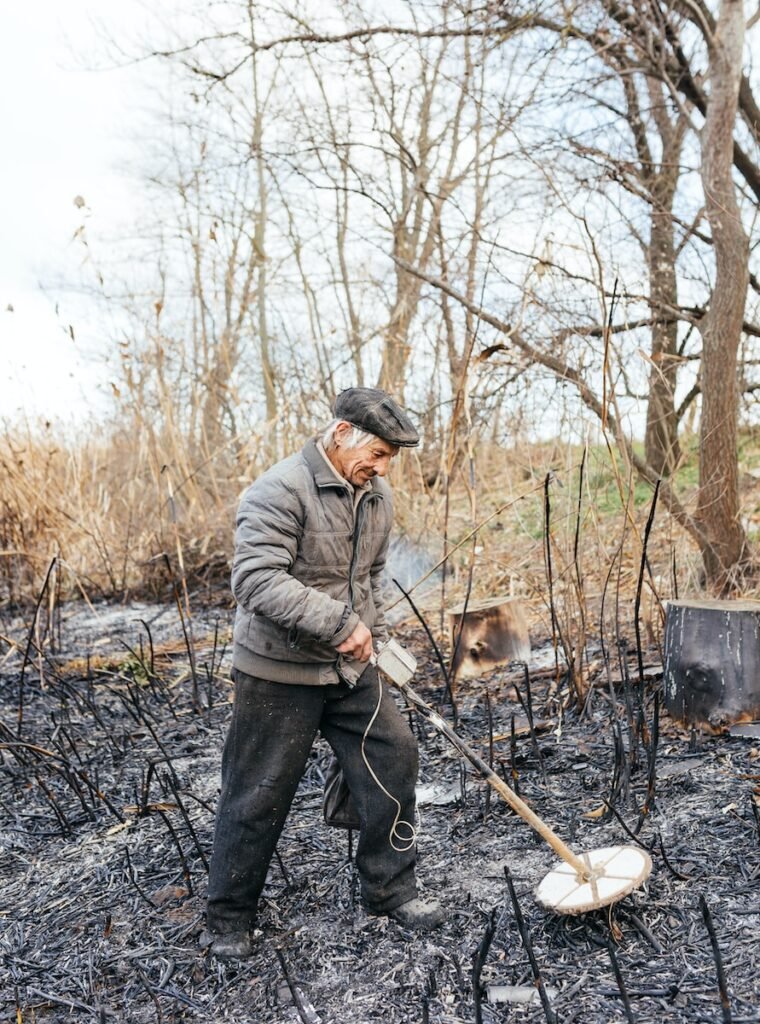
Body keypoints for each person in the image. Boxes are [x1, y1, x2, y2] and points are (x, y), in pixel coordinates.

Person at [202, 387, 445, 958]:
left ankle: (389, 889)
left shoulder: (375, 495)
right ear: (341, 435)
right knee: (257, 793)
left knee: (394, 755)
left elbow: (373, 576)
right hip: (277, 670)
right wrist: (340, 623)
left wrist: (370, 632)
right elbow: (255, 581)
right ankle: (229, 920)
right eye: (378, 454)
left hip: (348, 667)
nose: (383, 469)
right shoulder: (278, 490)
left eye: (390, 459)